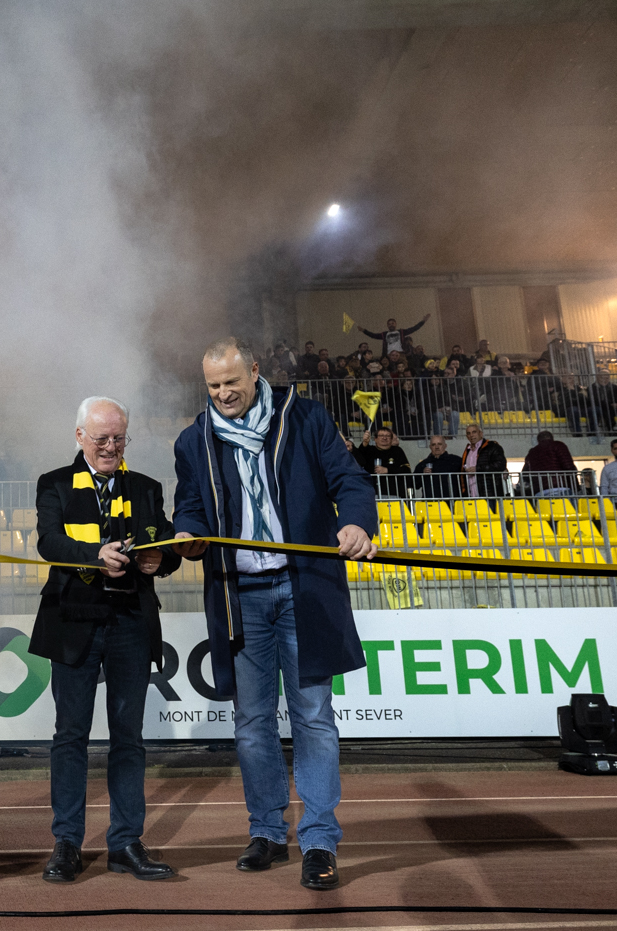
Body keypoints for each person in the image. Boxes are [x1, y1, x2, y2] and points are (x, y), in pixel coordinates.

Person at [170, 337, 376, 892]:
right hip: (240, 598)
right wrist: (187, 533)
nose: (223, 394)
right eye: (213, 386)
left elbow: (349, 480)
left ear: (255, 371)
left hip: (302, 588)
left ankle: (319, 839)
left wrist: (356, 521)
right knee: (252, 723)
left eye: (231, 382)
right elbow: (190, 504)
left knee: (313, 717)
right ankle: (265, 830)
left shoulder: (305, 417)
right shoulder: (194, 440)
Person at [30, 397, 181, 884]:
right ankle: (67, 843)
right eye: (102, 438)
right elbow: (49, 542)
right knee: (70, 735)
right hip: (73, 620)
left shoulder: (147, 487)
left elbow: (168, 543)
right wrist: (95, 555)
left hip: (131, 623)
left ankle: (125, 842)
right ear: (80, 436)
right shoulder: (54, 483)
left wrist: (162, 559)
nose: (112, 447)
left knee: (128, 737)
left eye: (119, 438)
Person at [354, 427, 412, 497]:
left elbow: (406, 469)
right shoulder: (369, 450)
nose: (384, 438)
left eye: (388, 436)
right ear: (375, 439)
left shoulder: (397, 450)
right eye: (381, 435)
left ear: (391, 439)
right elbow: (357, 461)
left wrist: (387, 470)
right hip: (371, 493)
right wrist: (364, 443)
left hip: (395, 493)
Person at [520, 431, 577, 497]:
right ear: (552, 438)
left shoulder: (532, 452)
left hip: (540, 491)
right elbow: (568, 466)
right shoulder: (559, 445)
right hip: (560, 487)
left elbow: (525, 474)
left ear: (538, 441)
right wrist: (575, 486)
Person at [462, 423, 508, 498]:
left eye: (474, 432)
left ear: (481, 433)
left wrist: (478, 469)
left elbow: (500, 464)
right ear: (467, 436)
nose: (471, 435)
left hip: (490, 493)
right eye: (468, 433)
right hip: (471, 494)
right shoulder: (467, 451)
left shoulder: (493, 447)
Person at [358, 315, 430, 359]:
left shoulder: (401, 332)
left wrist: (423, 321)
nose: (391, 325)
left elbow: (413, 328)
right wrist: (364, 331)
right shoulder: (384, 334)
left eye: (392, 323)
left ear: (395, 324)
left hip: (401, 354)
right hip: (388, 355)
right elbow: (373, 335)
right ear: (387, 325)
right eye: (389, 324)